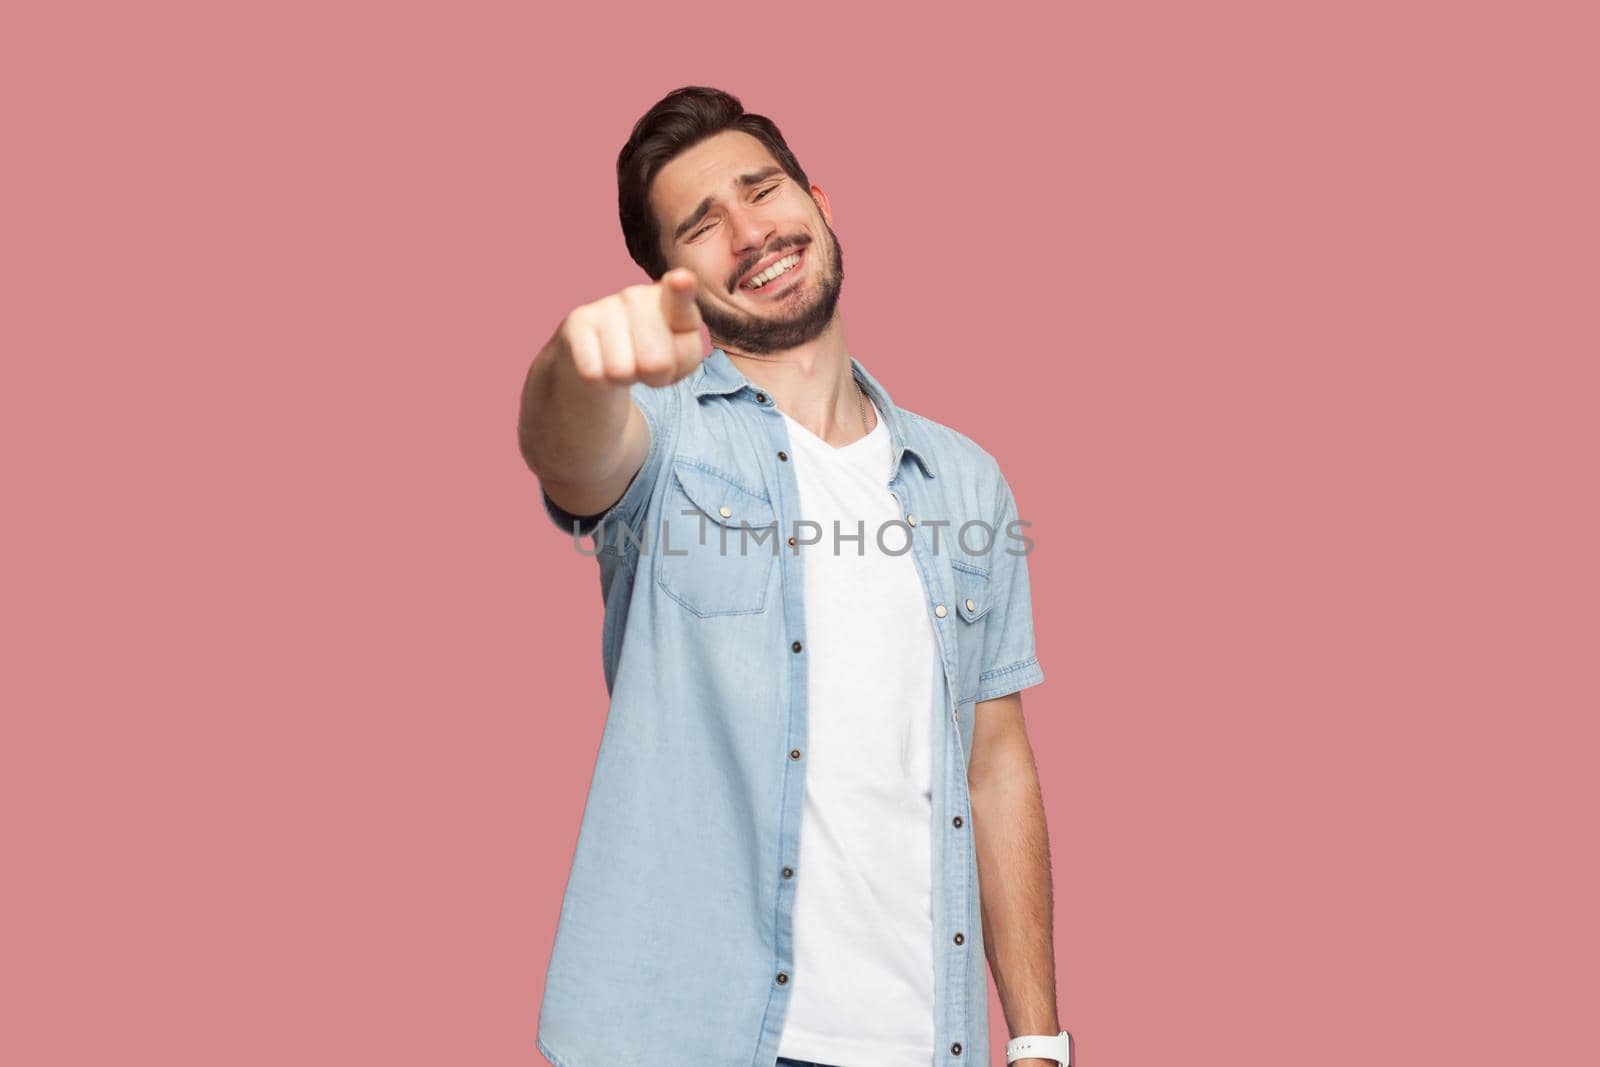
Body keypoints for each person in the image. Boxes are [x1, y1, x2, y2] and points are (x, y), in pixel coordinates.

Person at [517, 86, 1069, 1067]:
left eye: (759, 190)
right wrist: (576, 365)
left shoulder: (964, 479)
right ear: (669, 277)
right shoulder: (666, 431)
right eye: (700, 225)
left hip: (921, 1039)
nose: (747, 232)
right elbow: (573, 455)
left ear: (816, 198)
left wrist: (1035, 1035)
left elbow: (996, 764)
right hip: (688, 1038)